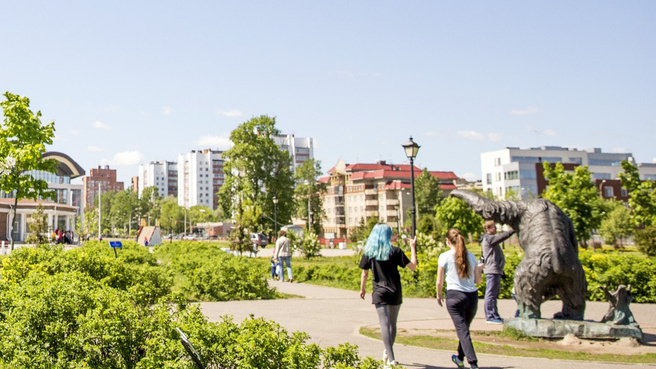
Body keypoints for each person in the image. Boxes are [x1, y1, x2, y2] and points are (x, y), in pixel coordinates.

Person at [359, 224, 417, 368]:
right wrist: (413, 247)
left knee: (384, 323)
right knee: (392, 324)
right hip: (395, 290)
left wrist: (362, 289)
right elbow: (413, 266)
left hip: (379, 291)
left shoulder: (369, 252)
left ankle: (390, 357)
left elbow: (365, 273)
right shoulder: (395, 251)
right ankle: (388, 353)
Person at [436, 228, 483, 369]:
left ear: (447, 241)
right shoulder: (471, 256)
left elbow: (439, 281)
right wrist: (479, 268)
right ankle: (460, 358)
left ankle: (473, 363)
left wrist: (439, 294)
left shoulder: (444, 256)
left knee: (463, 331)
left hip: (454, 296)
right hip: (472, 296)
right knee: (464, 330)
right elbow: (478, 281)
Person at [480, 220, 515, 324]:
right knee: (491, 294)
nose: (495, 229)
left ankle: (494, 314)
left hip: (496, 270)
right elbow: (500, 238)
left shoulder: (490, 238)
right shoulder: (489, 238)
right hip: (492, 270)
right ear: (487, 229)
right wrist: (512, 230)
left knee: (494, 294)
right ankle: (490, 316)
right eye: (493, 227)